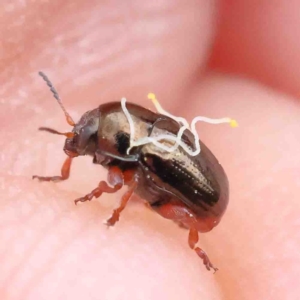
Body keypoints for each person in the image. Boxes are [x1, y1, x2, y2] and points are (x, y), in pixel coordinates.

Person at [1, 1, 299, 299]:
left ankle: (195, 249)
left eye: (88, 137)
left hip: (205, 205)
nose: (74, 144)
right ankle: (66, 182)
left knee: (134, 186)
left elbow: (125, 182)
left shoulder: (145, 153)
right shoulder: (137, 139)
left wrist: (115, 210)